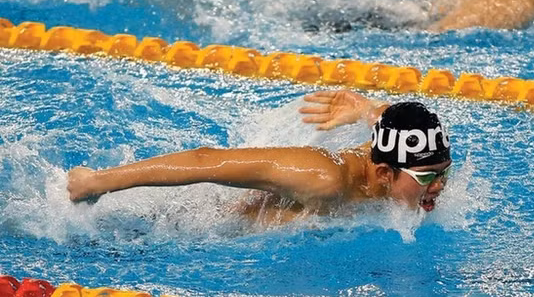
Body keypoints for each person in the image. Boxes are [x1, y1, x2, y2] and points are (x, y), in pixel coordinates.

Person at [67, 91, 452, 224]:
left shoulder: (406, 158)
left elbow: (391, 119)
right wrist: (97, 182)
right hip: (190, 229)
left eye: (442, 173)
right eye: (427, 178)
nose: (438, 186)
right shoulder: (324, 177)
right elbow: (207, 161)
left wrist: (367, 108)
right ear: (383, 173)